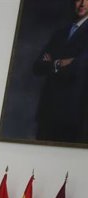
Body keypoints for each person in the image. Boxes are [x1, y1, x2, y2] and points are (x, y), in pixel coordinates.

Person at [32, 1, 88, 143]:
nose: (82, 4)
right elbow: (37, 67)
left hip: (73, 113)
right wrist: (59, 63)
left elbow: (79, 67)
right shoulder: (60, 33)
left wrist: (52, 62)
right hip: (48, 112)